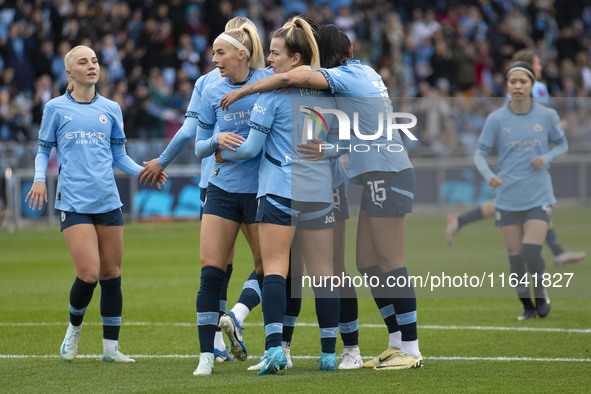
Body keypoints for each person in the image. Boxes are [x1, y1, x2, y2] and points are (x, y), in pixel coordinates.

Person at [220, 24, 423, 371]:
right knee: (366, 263)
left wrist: (245, 90)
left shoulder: (341, 78)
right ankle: (394, 343)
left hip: (385, 172)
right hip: (379, 171)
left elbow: (288, 78)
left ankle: (410, 348)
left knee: (389, 263)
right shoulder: (365, 72)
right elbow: (350, 130)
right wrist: (330, 148)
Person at [25, 45, 166, 363]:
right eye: (83, 62)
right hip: (73, 202)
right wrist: (37, 178)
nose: (92, 66)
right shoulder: (55, 108)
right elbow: (43, 150)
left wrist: (145, 171)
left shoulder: (112, 109)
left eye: (95, 60)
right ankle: (73, 331)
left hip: (108, 201)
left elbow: (119, 157)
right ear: (69, 72)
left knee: (112, 273)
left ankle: (110, 349)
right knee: (88, 273)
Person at [218, 17, 340, 375]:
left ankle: (274, 351)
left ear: (295, 59)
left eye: (274, 54)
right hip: (318, 193)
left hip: (278, 192)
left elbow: (251, 148)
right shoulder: (326, 91)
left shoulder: (269, 96)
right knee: (324, 276)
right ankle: (328, 355)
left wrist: (219, 151)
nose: (268, 60)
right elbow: (339, 145)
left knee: (274, 271)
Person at [137, 16, 262, 365]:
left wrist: (162, 161)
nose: (216, 58)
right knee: (245, 266)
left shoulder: (214, 80)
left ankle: (220, 344)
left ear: (240, 50)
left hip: (216, 180)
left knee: (220, 268)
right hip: (239, 182)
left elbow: (187, 132)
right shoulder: (216, 83)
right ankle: (228, 333)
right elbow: (195, 135)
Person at [446, 49, 586, 268]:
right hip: (527, 156)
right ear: (531, 66)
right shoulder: (536, 88)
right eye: (538, 63)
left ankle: (460, 220)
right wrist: (561, 126)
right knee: (531, 204)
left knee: (524, 204)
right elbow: (541, 120)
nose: (540, 66)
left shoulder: (516, 88)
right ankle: (556, 253)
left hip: (524, 154)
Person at [191, 22, 269, 376]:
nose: (214, 60)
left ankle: (239, 316)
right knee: (211, 273)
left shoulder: (268, 83)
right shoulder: (210, 90)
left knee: (269, 269)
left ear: (242, 54)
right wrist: (217, 142)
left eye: (220, 53)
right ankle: (207, 355)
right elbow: (198, 146)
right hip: (222, 190)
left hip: (260, 191)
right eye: (212, 54)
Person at [474, 61, 568, 320]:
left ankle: (541, 293)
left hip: (539, 193)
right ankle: (527, 306)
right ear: (507, 85)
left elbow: (562, 145)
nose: (517, 86)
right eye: (513, 82)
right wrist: (489, 174)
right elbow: (480, 153)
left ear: (531, 85)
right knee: (515, 257)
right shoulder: (496, 118)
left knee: (530, 251)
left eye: (523, 81)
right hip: (508, 196)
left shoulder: (547, 116)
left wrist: (547, 157)